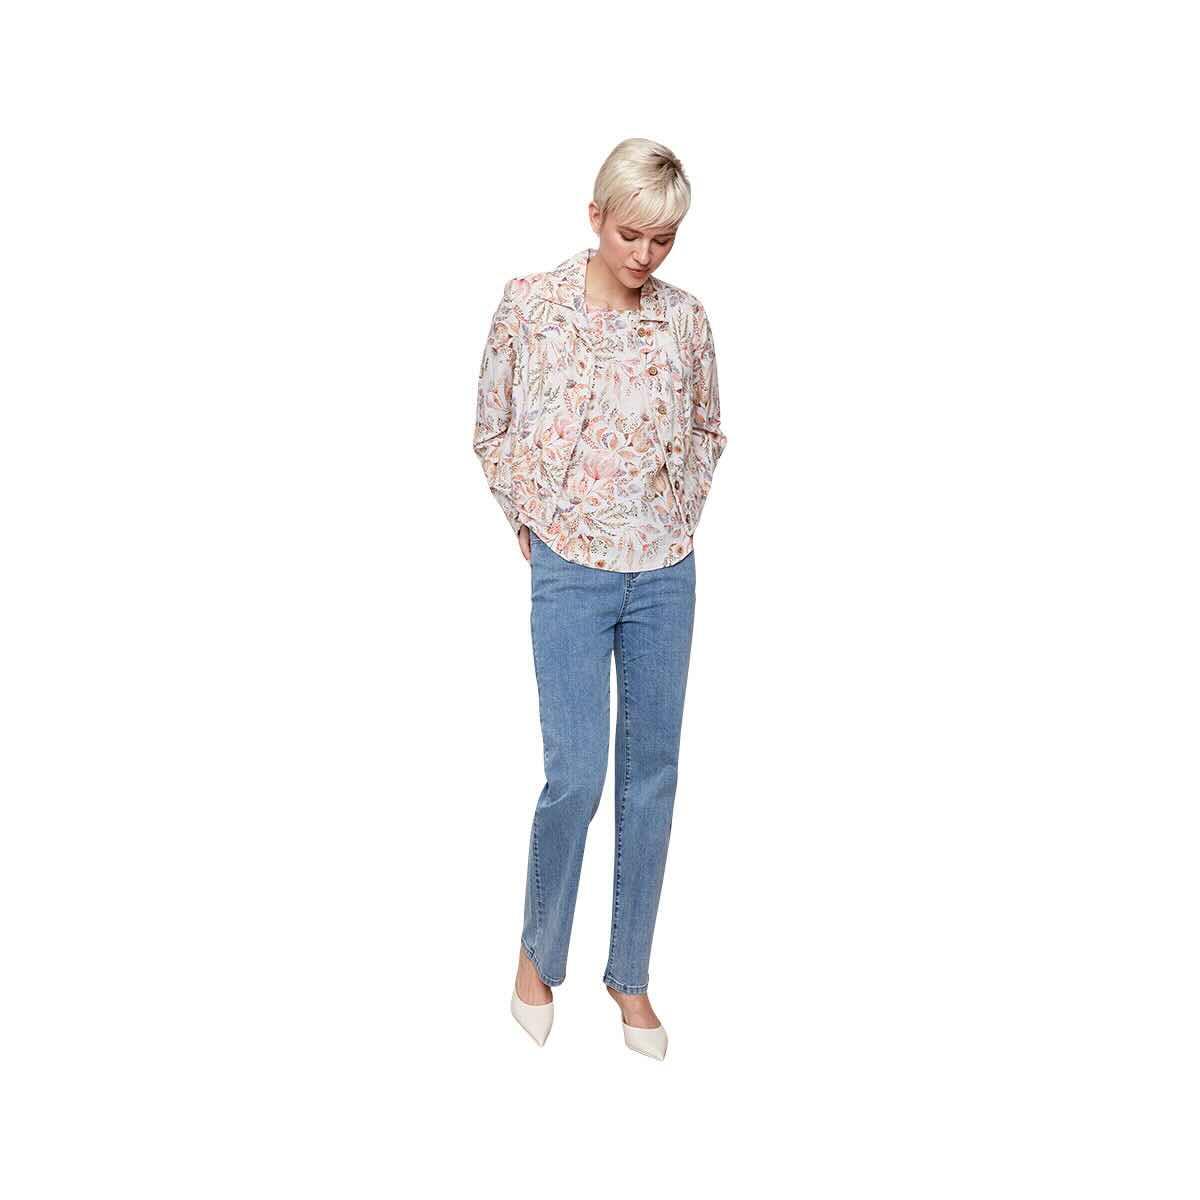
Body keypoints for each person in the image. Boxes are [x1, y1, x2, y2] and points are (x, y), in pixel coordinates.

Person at [472, 138, 728, 1060]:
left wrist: (679, 508)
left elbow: (708, 427)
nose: (645, 255)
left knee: (652, 776)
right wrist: (529, 516)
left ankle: (631, 973)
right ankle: (538, 955)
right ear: (595, 217)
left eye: (664, 239)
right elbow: (491, 424)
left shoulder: (686, 319)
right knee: (576, 773)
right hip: (570, 569)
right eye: (631, 235)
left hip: (665, 572)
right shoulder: (530, 305)